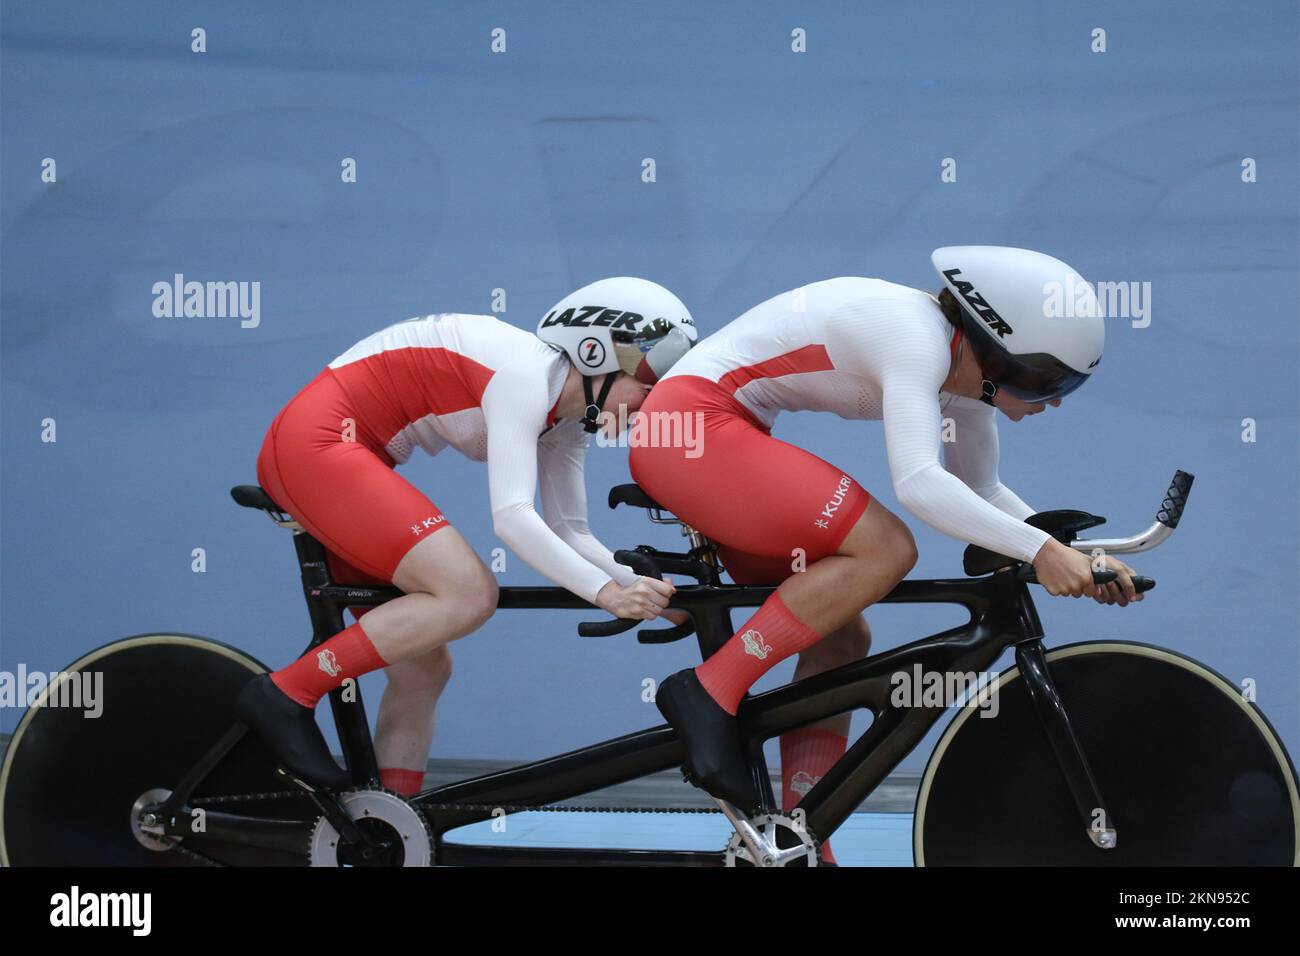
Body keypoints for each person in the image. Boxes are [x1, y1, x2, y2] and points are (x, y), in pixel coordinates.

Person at [628, 246, 1142, 859]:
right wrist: (1043, 551)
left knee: (840, 641)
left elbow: (982, 493)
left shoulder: (965, 386)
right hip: (691, 426)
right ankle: (708, 691)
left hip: (724, 432)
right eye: (1048, 381)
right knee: (887, 548)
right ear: (995, 348)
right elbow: (921, 483)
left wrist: (1080, 556)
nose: (1054, 401)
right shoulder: (914, 334)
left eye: (1071, 387)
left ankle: (802, 835)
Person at [236, 277, 697, 791]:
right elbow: (514, 517)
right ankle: (285, 694)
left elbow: (571, 531)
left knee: (423, 667)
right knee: (470, 593)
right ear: (594, 354)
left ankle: (392, 820)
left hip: (344, 453)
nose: (652, 406)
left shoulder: (566, 418)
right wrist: (608, 593)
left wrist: (665, 599)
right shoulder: (526, 375)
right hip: (315, 446)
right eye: (650, 386)